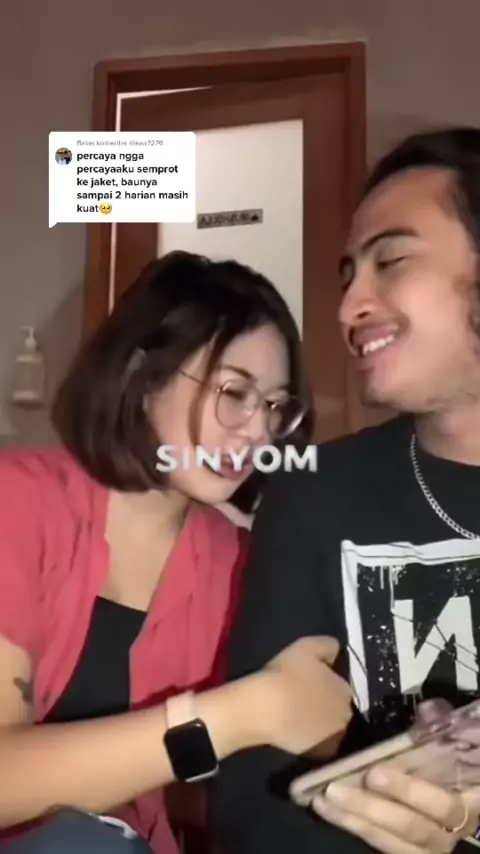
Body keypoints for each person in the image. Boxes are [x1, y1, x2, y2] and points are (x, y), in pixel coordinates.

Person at [0, 251, 354, 853]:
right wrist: (237, 715)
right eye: (235, 392)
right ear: (143, 379)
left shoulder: (238, 559)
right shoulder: (18, 501)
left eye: (275, 406)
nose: (258, 431)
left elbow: (270, 755)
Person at [213, 127, 480, 854]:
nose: (348, 307)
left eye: (391, 261)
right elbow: (252, 794)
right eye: (348, 276)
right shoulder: (313, 498)